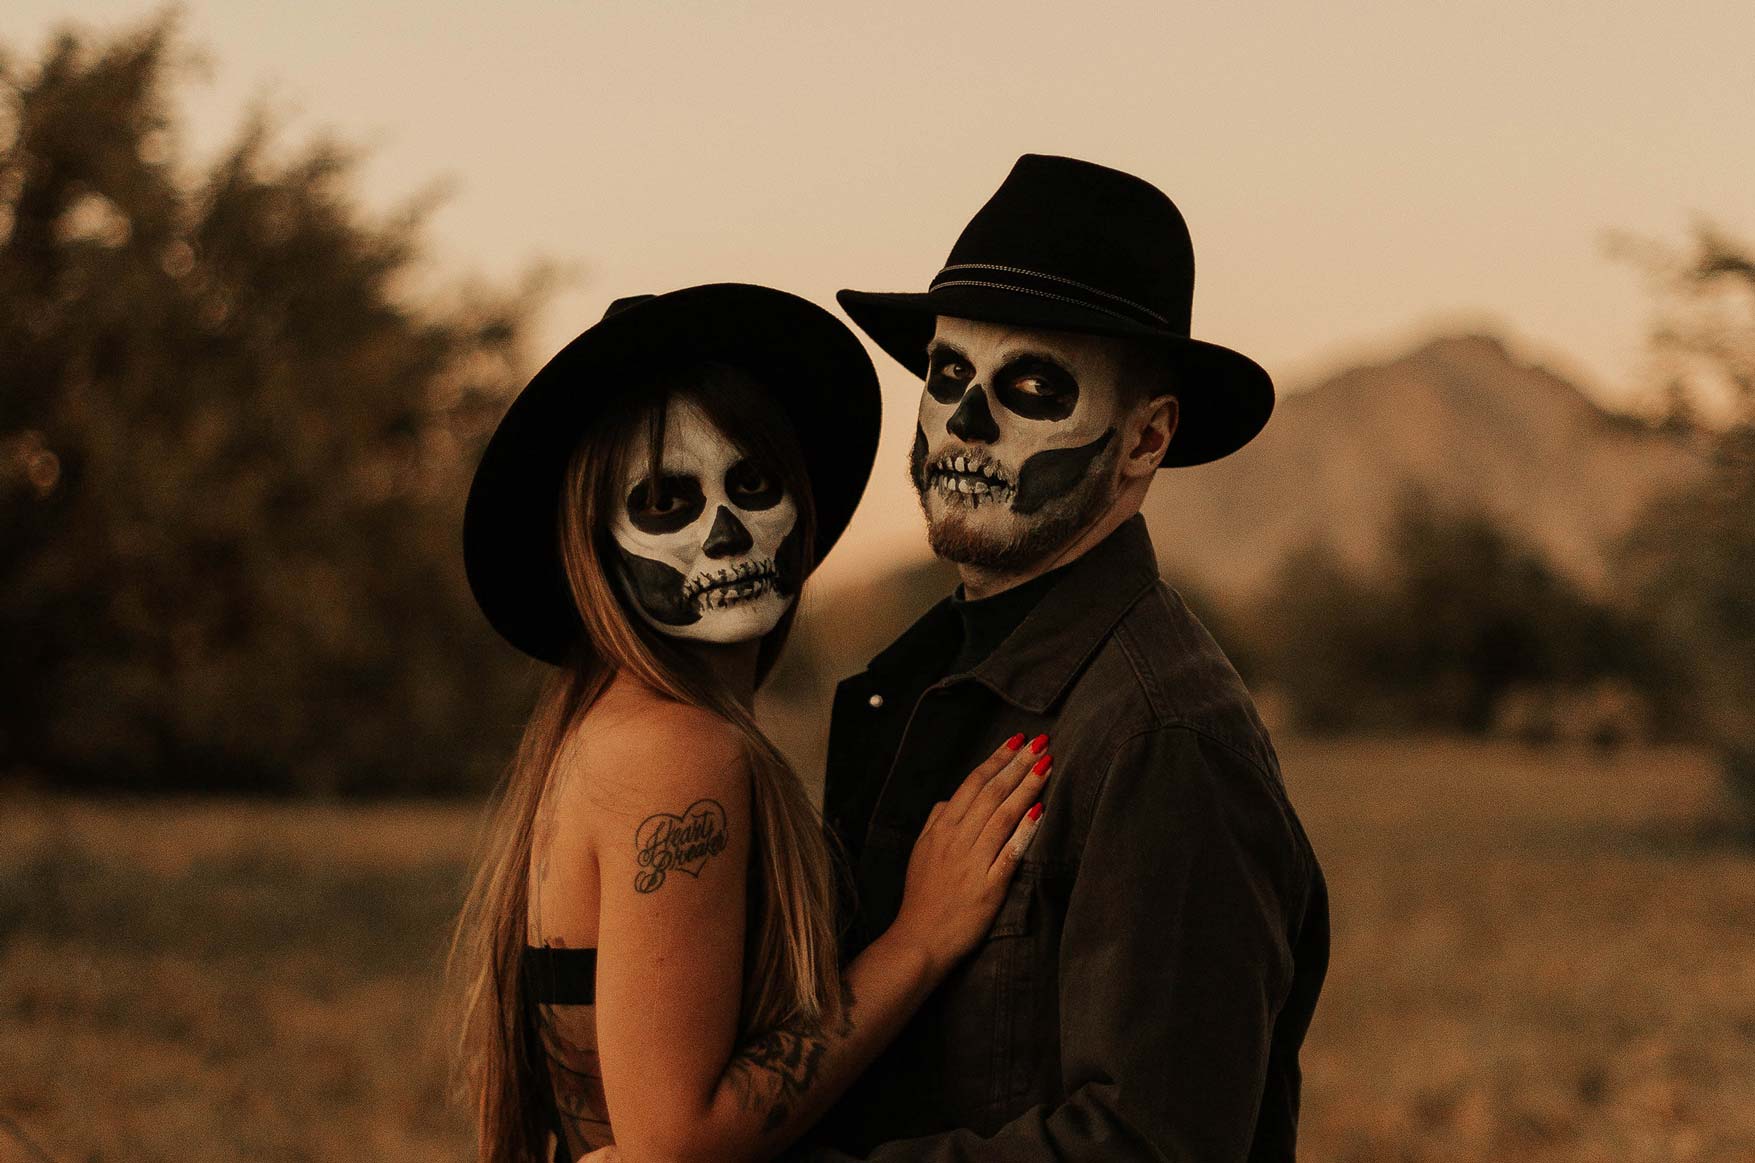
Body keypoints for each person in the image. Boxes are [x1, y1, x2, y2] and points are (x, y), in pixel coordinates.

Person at [786, 154, 1331, 1160]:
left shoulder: (1163, 735)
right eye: (948, 376)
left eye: (1032, 386)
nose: (966, 420)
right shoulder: (925, 681)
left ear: (1144, 440)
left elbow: (1150, 1143)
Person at [448, 283, 1049, 1163]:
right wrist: (919, 939)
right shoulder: (677, 752)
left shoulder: (606, 728)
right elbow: (672, 1141)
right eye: (665, 502)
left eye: (753, 484)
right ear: (592, 545)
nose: (726, 533)